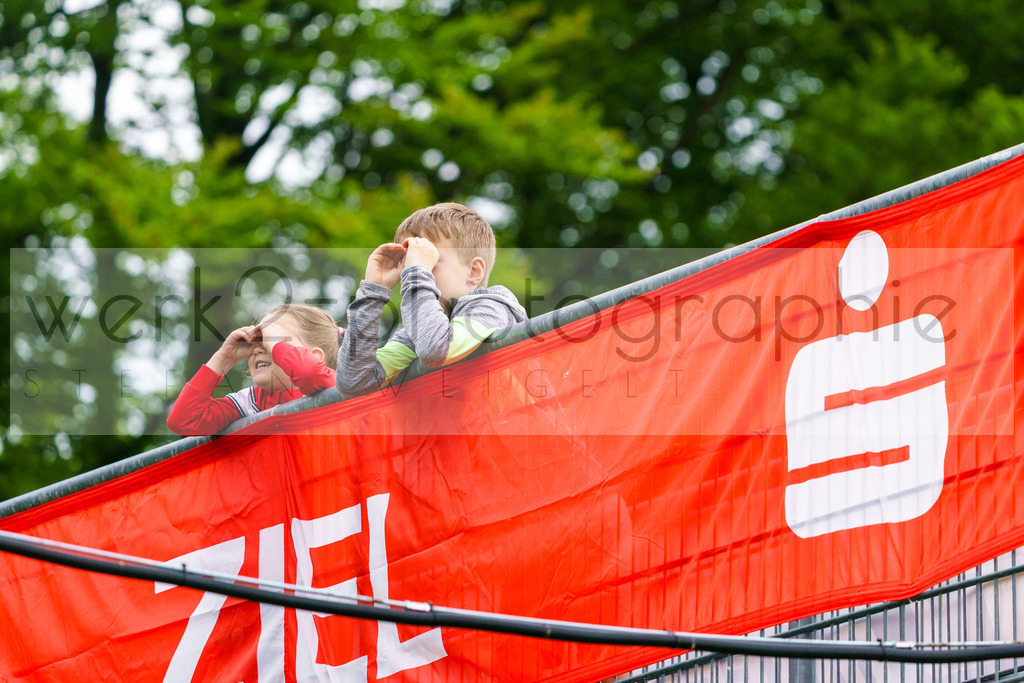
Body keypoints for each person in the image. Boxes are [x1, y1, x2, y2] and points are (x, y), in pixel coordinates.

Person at [337, 202, 527, 396]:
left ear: (473, 271)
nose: (410, 271)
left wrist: (418, 272)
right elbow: (354, 382)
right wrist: (374, 292)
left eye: (429, 259)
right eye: (408, 261)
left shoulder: (492, 307)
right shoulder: (419, 332)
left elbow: (436, 350)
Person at [168, 303, 340, 436]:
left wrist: (274, 343)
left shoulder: (334, 387)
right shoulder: (253, 401)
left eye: (271, 338)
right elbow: (184, 420)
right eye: (258, 339)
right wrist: (223, 358)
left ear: (315, 356)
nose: (259, 348)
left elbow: (308, 373)